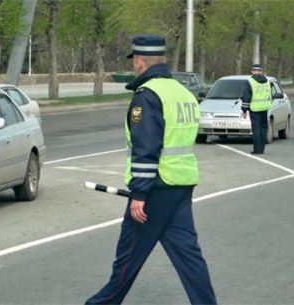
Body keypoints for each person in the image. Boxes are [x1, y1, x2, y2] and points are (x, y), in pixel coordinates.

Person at [85, 34, 217, 305]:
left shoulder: (147, 96)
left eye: (135, 61)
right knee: (189, 257)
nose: (134, 65)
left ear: (140, 62)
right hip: (180, 184)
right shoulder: (183, 93)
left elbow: (146, 148)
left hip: (155, 188)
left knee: (128, 258)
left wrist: (140, 194)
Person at [241, 64, 272, 154]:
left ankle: (257, 149)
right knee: (263, 129)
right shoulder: (267, 81)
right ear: (261, 71)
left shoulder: (250, 81)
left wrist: (244, 110)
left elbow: (246, 97)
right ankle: (262, 149)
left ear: (252, 71)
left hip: (254, 109)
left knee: (256, 130)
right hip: (265, 108)